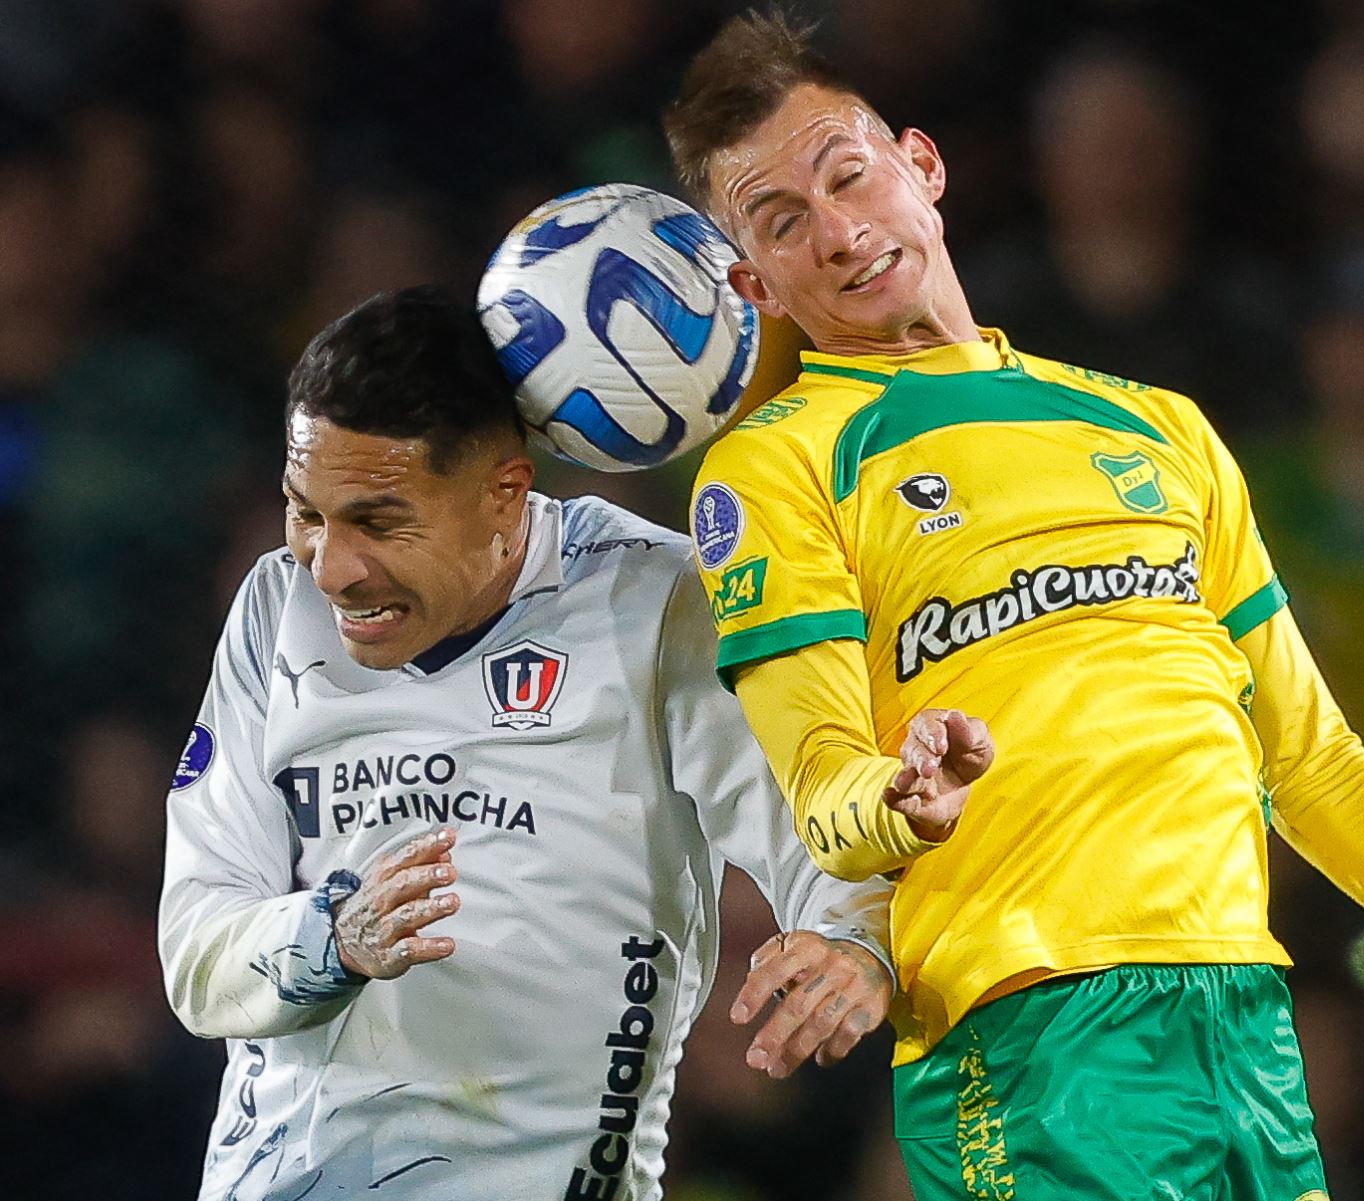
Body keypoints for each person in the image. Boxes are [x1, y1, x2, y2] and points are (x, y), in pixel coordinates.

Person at [662, 13, 1364, 1200]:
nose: (840, 230)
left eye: (848, 176)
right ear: (753, 282)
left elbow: (1312, 760)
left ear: (921, 165)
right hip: (1034, 1038)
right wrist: (905, 799)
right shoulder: (775, 467)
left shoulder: (1158, 426)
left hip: (1245, 1020)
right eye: (783, 221)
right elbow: (823, 790)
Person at [157, 286, 895, 1201]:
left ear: (505, 492)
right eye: (306, 512)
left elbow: (830, 841)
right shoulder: (276, 610)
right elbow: (195, 950)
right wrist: (332, 935)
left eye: (379, 522)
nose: (333, 568)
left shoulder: (653, 604)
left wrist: (856, 944)